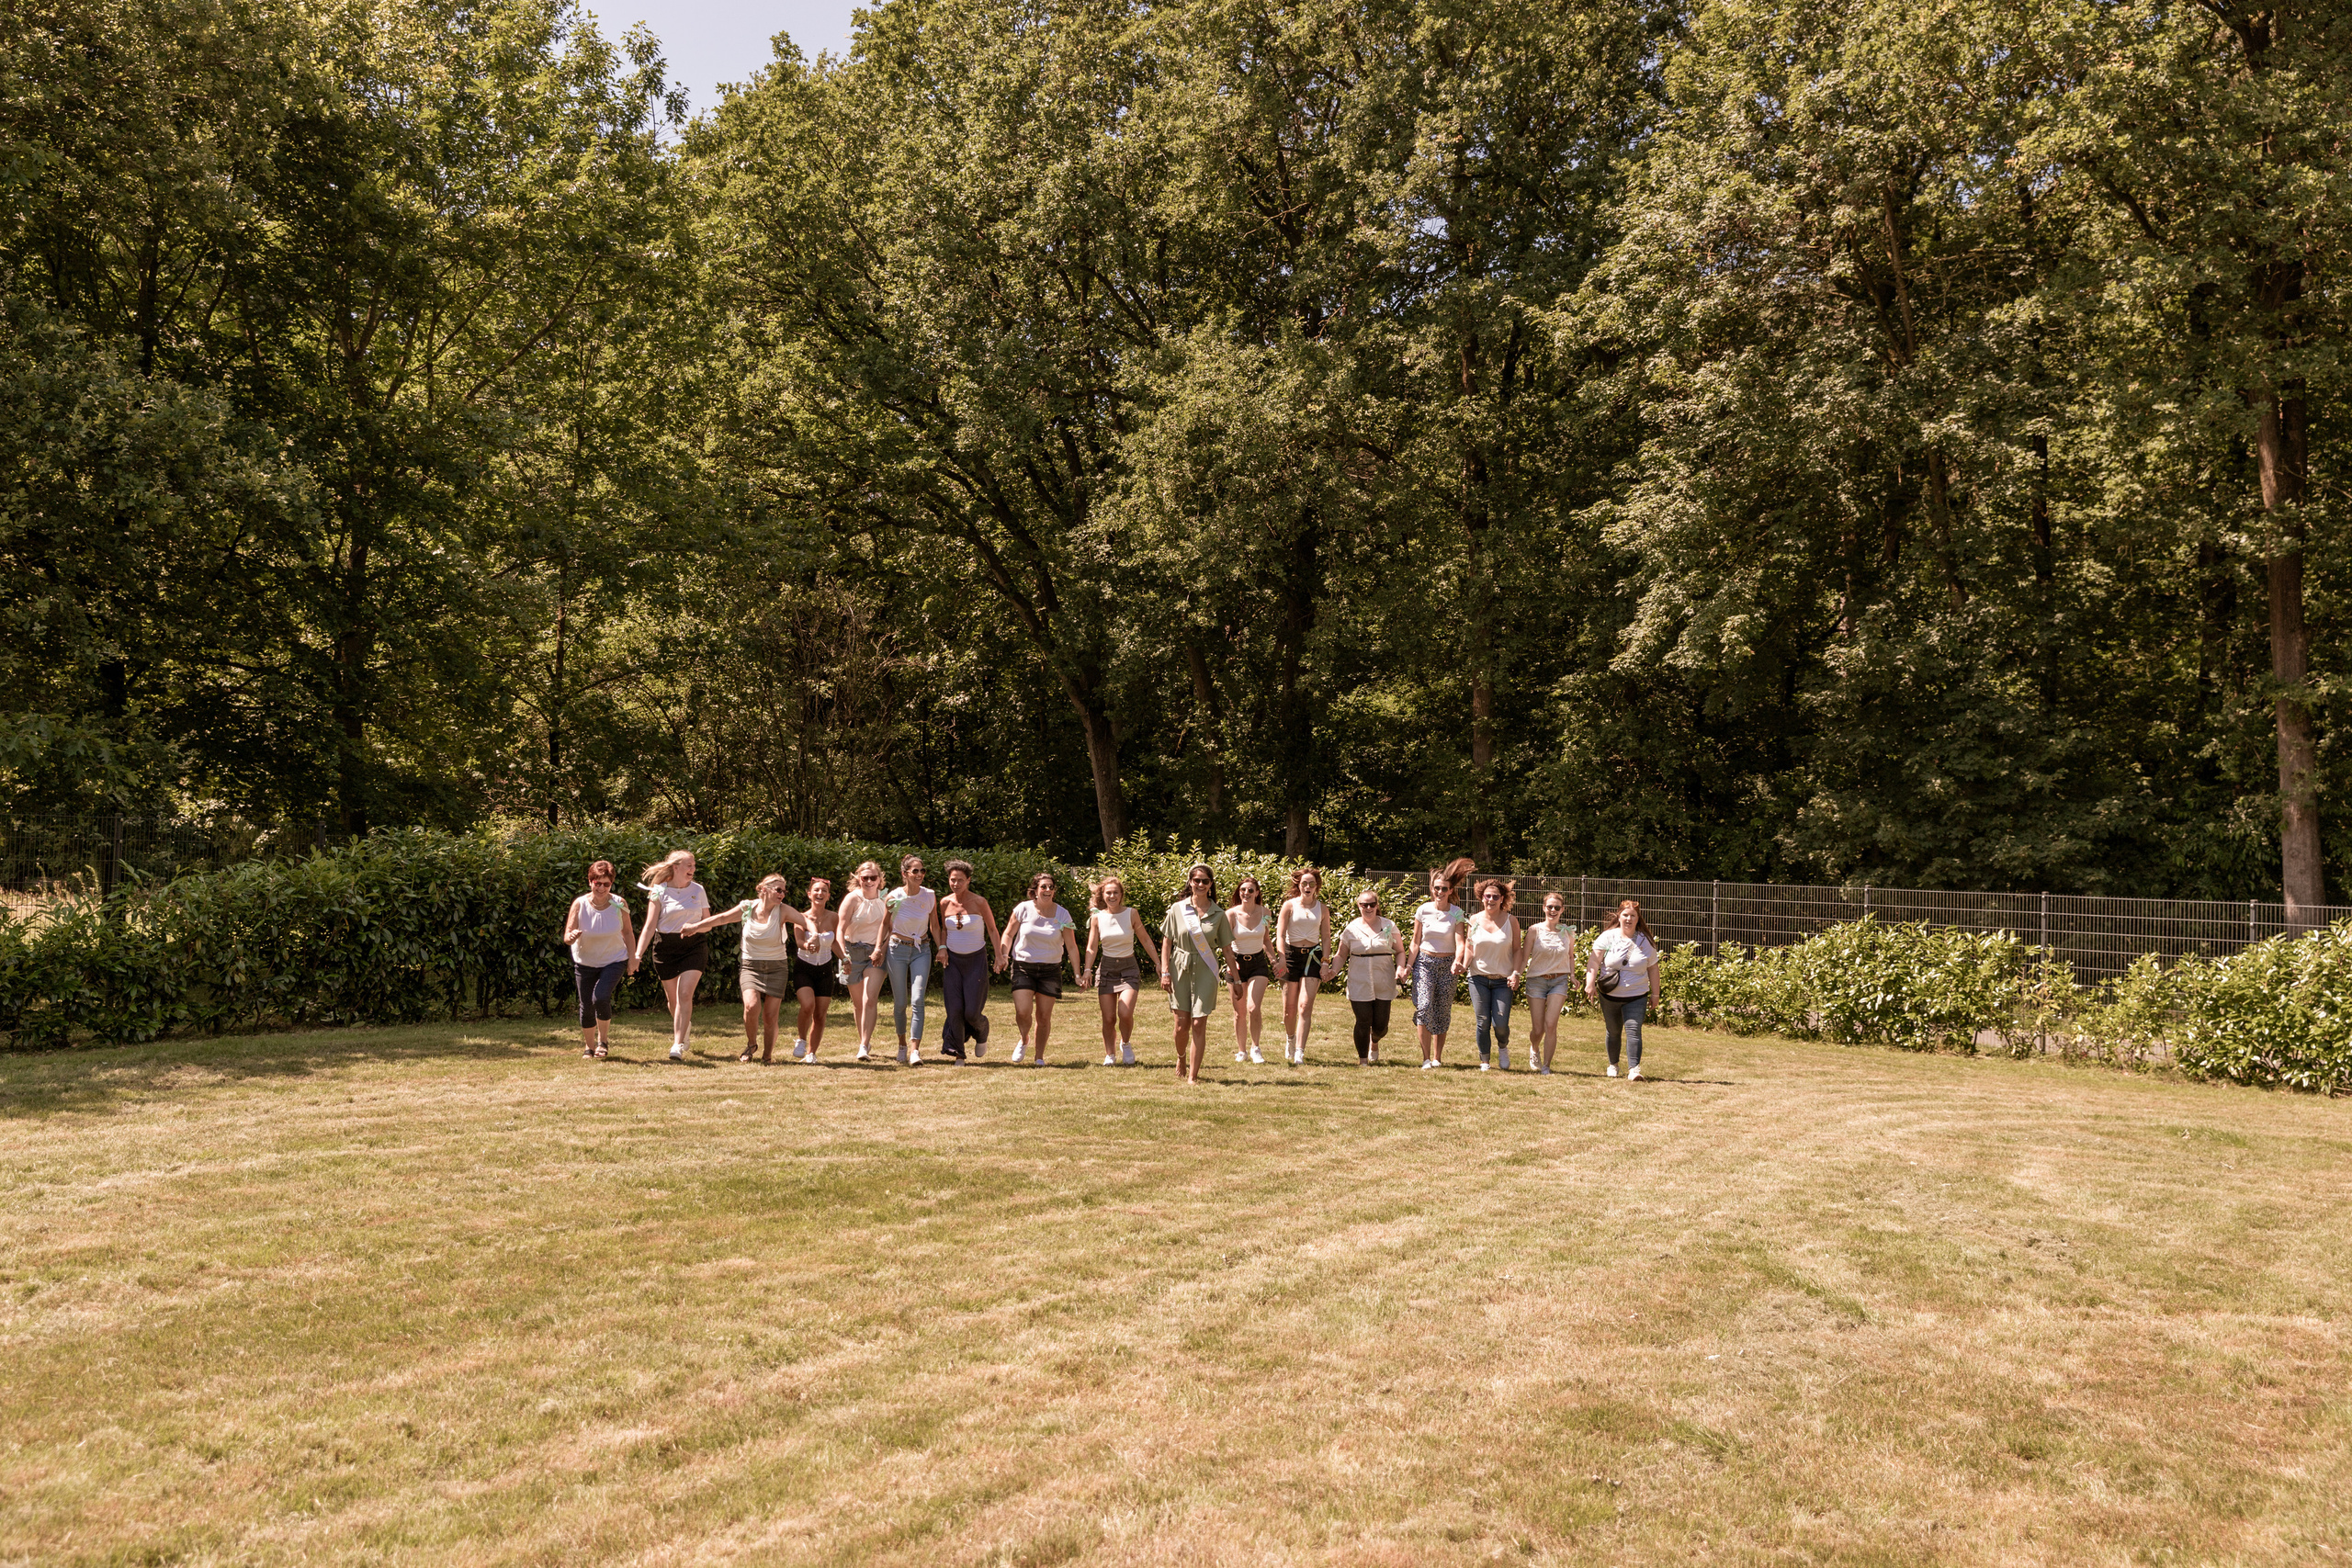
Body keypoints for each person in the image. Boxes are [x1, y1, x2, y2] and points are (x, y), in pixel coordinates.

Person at [685, 874, 810, 1064]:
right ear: (764, 889)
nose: (782, 894)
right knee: (751, 1006)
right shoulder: (747, 908)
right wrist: (695, 927)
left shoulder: (783, 910)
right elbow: (721, 919)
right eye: (778, 890)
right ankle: (752, 1044)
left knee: (770, 1016)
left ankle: (767, 1056)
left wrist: (815, 935)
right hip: (751, 965)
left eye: (784, 891)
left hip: (777, 967)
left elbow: (805, 921)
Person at [1159, 863, 1235, 1084]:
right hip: (1179, 968)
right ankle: (1181, 1057)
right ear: (1190, 882)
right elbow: (1167, 943)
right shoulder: (1177, 909)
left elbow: (1227, 949)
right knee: (1181, 1024)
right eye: (1197, 880)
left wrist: (1237, 978)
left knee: (1199, 1023)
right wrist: (1165, 972)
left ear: (1211, 884)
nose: (1201, 884)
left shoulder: (1219, 913)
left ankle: (1193, 1075)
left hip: (1206, 969)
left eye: (1205, 881)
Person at [633, 849, 711, 1061]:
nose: (693, 869)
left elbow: (708, 923)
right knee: (673, 1000)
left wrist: (695, 927)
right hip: (665, 947)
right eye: (689, 865)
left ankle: (677, 1044)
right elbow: (650, 926)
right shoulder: (659, 890)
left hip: (693, 945)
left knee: (685, 994)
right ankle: (684, 1027)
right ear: (675, 867)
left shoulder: (698, 890)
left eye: (694, 865)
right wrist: (638, 954)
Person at [999, 871, 1081, 1064]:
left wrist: (1078, 973)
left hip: (1050, 970)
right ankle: (1024, 1039)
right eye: (1043, 886)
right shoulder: (1023, 909)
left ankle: (1039, 1057)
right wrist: (1003, 955)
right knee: (1023, 1011)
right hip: (1023, 966)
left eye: (1051, 887)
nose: (1047, 890)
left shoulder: (1063, 914)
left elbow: (1071, 946)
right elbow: (1008, 934)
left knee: (1043, 1017)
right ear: (1035, 890)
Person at [1081, 874, 1163, 1066]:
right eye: (1108, 893)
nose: (1112, 896)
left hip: (1129, 969)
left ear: (1121, 895)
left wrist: (1158, 963)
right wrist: (1087, 970)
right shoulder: (1097, 918)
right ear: (1103, 895)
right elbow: (1092, 947)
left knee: (1125, 1013)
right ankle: (1110, 1054)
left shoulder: (1131, 914)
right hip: (1107, 969)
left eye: (1115, 893)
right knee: (1108, 1018)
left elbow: (1145, 939)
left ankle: (1125, 1044)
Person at [563, 860, 638, 1059]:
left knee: (601, 997)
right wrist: (572, 937)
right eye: (597, 883)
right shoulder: (579, 904)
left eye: (606, 884)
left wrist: (633, 958)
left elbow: (628, 932)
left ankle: (602, 1041)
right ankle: (589, 1047)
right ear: (590, 882)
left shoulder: (619, 903)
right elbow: (567, 936)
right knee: (586, 1005)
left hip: (614, 959)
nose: (602, 888)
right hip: (585, 961)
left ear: (611, 884)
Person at [1405, 857, 1476, 1068]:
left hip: (1447, 965)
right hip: (1424, 963)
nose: (1440, 892)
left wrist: (1458, 961)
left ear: (1450, 890)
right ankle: (1425, 1058)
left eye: (1444, 888)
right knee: (1424, 1006)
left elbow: (1460, 942)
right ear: (1432, 889)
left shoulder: (1456, 913)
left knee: (1442, 1010)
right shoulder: (1423, 910)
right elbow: (1415, 941)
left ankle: (1437, 1058)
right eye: (1437, 888)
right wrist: (1408, 966)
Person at [1587, 897, 1660, 1080]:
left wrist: (1655, 994)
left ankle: (1634, 1069)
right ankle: (1613, 1065)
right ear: (1619, 916)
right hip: (1609, 995)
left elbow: (1653, 968)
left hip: (1637, 995)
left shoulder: (1645, 941)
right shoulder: (1608, 937)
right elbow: (1594, 961)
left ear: (1638, 918)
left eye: (1633, 916)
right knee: (1613, 1031)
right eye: (1625, 915)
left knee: (1634, 1030)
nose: (1629, 919)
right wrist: (1590, 983)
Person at [883, 854, 943, 1066]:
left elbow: (935, 926)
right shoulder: (894, 897)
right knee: (900, 1003)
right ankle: (901, 1045)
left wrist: (942, 948)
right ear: (904, 874)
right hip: (897, 949)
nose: (919, 874)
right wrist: (878, 948)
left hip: (921, 950)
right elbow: (885, 925)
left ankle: (915, 1050)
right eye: (915, 871)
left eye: (922, 871)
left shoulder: (929, 895)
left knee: (917, 1000)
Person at [937, 860, 1000, 1063]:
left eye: (960, 880)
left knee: (972, 1012)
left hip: (975, 961)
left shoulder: (979, 902)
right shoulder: (944, 903)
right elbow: (944, 929)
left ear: (968, 880)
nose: (956, 884)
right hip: (953, 962)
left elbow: (992, 930)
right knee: (954, 1009)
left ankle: (982, 1030)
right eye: (952, 880)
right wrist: (942, 948)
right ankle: (959, 1055)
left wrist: (999, 956)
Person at [1329, 886, 1400, 1065]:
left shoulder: (1389, 926)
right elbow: (1341, 954)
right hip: (1359, 980)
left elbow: (1399, 951)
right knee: (1363, 1020)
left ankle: (1374, 1041)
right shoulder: (1351, 929)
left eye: (1372, 904)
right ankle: (1363, 1061)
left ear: (1377, 905)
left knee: (1381, 1026)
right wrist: (1333, 971)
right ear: (1358, 906)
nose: (1368, 908)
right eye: (1364, 905)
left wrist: (1401, 968)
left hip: (1384, 980)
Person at [1463, 877, 1522, 1071]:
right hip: (1477, 978)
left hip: (1503, 980)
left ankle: (1503, 1047)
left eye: (1495, 896)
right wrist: (1463, 965)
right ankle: (1485, 1061)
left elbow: (1517, 950)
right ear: (1482, 897)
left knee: (1500, 1025)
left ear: (1502, 898)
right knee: (1482, 1021)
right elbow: (1469, 947)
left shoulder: (1511, 921)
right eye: (1487, 896)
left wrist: (1516, 973)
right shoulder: (1474, 920)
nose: (1491, 900)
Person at [1277, 867, 1332, 1066]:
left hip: (1313, 957)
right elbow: (1280, 935)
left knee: (1305, 1006)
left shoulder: (1322, 908)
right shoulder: (1289, 906)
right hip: (1291, 956)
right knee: (1289, 1010)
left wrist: (1325, 962)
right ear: (1298, 885)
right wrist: (1281, 959)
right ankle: (1290, 1039)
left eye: (1311, 884)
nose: (1308, 887)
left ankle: (1300, 1051)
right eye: (1304, 884)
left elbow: (1326, 937)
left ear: (1316, 886)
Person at [836, 860, 889, 1062]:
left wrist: (880, 950)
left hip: (876, 953)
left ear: (879, 879)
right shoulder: (852, 899)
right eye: (865, 877)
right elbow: (840, 929)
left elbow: (892, 929)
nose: (869, 881)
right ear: (859, 878)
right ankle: (864, 1041)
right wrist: (844, 956)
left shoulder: (886, 899)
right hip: (852, 952)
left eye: (873, 877)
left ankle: (864, 1045)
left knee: (870, 999)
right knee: (859, 1004)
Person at [1521, 890, 1577, 1075]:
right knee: (1538, 1029)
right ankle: (1534, 1048)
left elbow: (1570, 956)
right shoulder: (1534, 930)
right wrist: (1516, 974)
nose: (1553, 910)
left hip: (1559, 981)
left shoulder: (1568, 932)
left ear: (1562, 910)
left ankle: (1546, 1066)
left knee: (1551, 1024)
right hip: (1536, 981)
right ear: (1544, 908)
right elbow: (1524, 957)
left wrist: (1572, 976)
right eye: (1550, 907)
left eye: (1557, 907)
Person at [1227, 875, 1275, 1065]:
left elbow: (1266, 940)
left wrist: (1274, 960)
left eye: (1250, 890)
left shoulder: (1265, 913)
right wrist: (1231, 964)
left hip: (1258, 963)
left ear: (1257, 893)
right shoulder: (1231, 914)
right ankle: (1242, 1051)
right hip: (1236, 964)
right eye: (1243, 890)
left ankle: (1256, 1048)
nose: (1246, 893)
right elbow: (1226, 944)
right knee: (1239, 1012)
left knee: (1253, 1008)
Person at [791, 875, 839, 1063]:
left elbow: (835, 942)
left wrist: (845, 959)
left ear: (828, 896)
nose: (820, 893)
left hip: (825, 970)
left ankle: (811, 1053)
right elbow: (799, 941)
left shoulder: (834, 917)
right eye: (816, 890)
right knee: (807, 1005)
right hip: (804, 968)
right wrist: (807, 946)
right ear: (809, 894)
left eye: (824, 891)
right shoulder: (800, 917)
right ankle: (801, 1040)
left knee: (820, 1014)